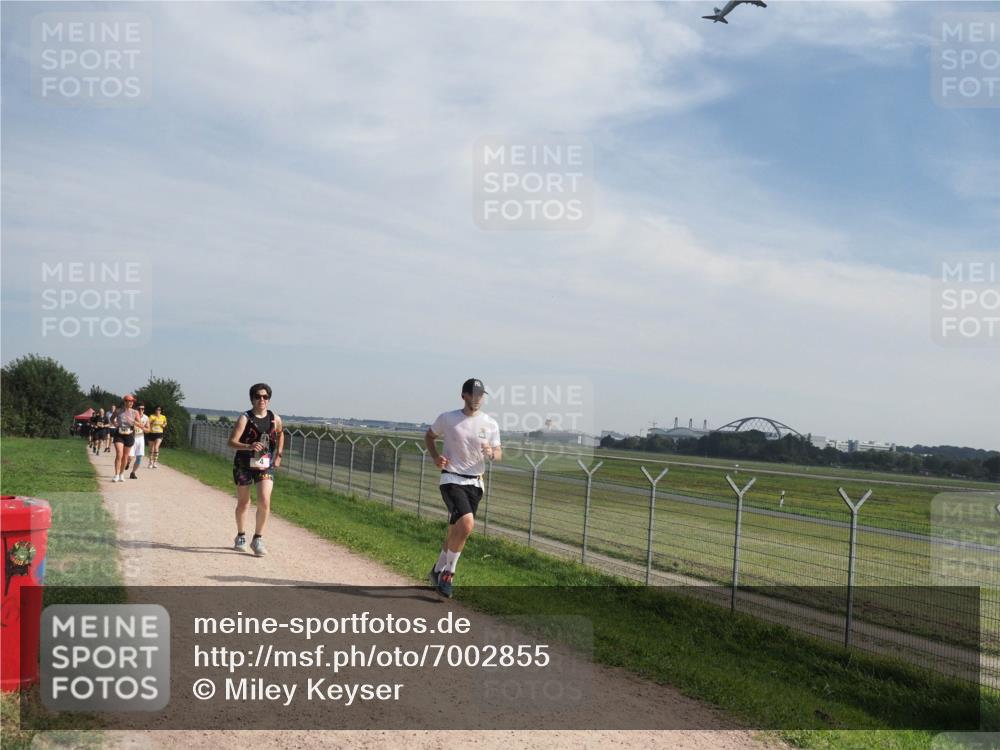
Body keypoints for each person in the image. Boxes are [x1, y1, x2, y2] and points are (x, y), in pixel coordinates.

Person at [424, 378, 502, 598]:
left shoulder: (490, 423)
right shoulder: (448, 418)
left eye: (480, 395)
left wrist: (492, 454)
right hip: (451, 479)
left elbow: (498, 453)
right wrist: (435, 456)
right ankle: (449, 574)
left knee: (456, 530)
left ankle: (437, 570)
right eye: (473, 394)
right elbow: (429, 436)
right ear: (464, 395)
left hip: (475, 482)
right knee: (467, 525)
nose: (477, 399)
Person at [227, 383, 284, 557]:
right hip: (244, 463)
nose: (262, 400)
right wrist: (248, 445)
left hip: (264, 464)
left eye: (265, 397)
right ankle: (241, 536)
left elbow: (281, 434)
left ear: (269, 399)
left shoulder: (275, 418)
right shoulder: (245, 418)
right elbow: (231, 442)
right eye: (258, 397)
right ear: (252, 399)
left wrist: (279, 455)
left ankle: (258, 538)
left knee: (265, 501)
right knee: (244, 503)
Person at [111, 396, 141, 482]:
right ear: (125, 402)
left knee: (125, 456)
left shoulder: (135, 412)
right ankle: (116, 474)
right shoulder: (118, 411)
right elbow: (112, 418)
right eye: (129, 401)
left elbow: (139, 423)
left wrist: (133, 421)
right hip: (119, 434)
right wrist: (115, 424)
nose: (131, 403)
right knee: (119, 454)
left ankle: (121, 474)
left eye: (132, 401)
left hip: (129, 435)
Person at [127, 404, 150, 479]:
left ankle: (133, 473)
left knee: (139, 457)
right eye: (139, 409)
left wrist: (143, 428)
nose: (141, 410)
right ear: (136, 409)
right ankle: (127, 462)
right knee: (130, 457)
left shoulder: (146, 418)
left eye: (142, 409)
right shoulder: (132, 416)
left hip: (140, 438)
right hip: (132, 438)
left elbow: (148, 430)